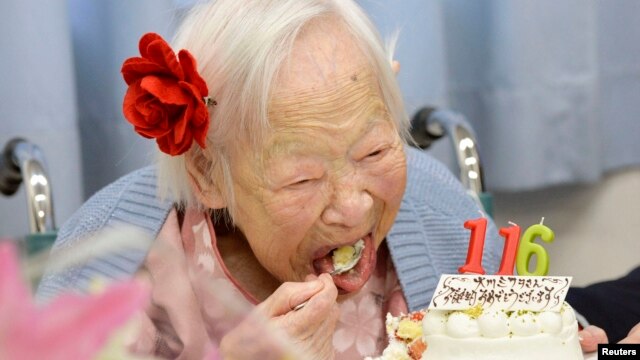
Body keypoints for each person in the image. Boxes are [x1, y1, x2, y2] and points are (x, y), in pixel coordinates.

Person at [37, 0, 639, 358]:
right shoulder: (117, 265)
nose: (353, 209)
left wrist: (566, 342)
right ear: (208, 175)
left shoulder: (433, 209)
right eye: (302, 181)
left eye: (375, 150)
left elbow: (511, 327)